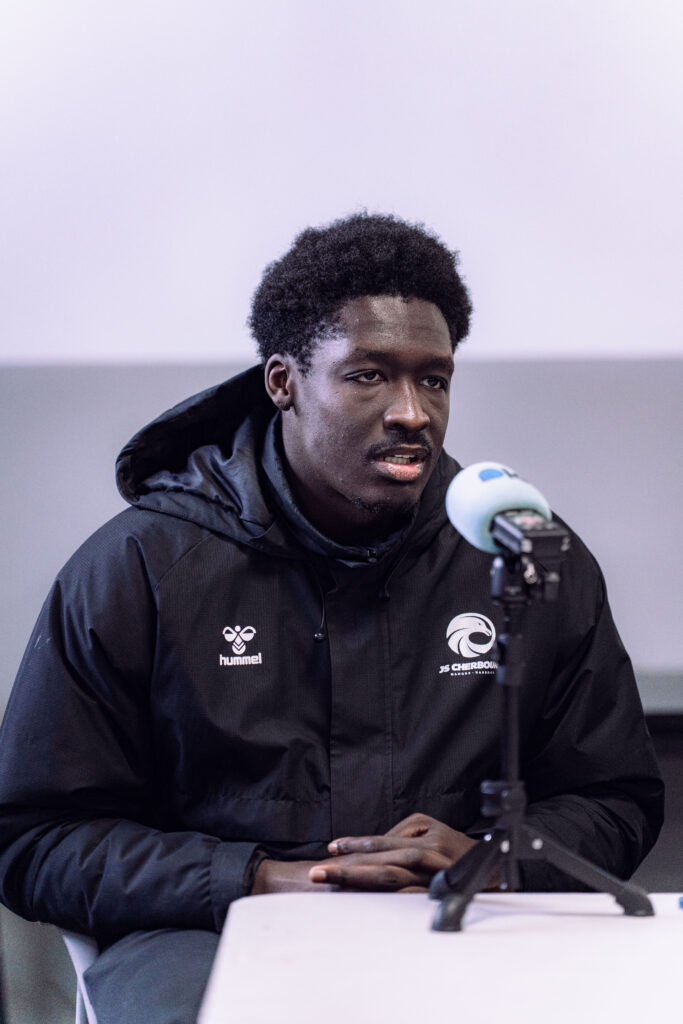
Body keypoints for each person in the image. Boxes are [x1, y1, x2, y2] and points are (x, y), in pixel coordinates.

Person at [0, 213, 663, 1023]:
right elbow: (34, 837)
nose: (412, 412)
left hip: (464, 923)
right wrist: (255, 879)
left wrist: (490, 860)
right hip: (209, 930)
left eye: (434, 380)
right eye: (368, 375)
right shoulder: (142, 567)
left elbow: (613, 800)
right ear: (283, 382)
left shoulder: (518, 556)